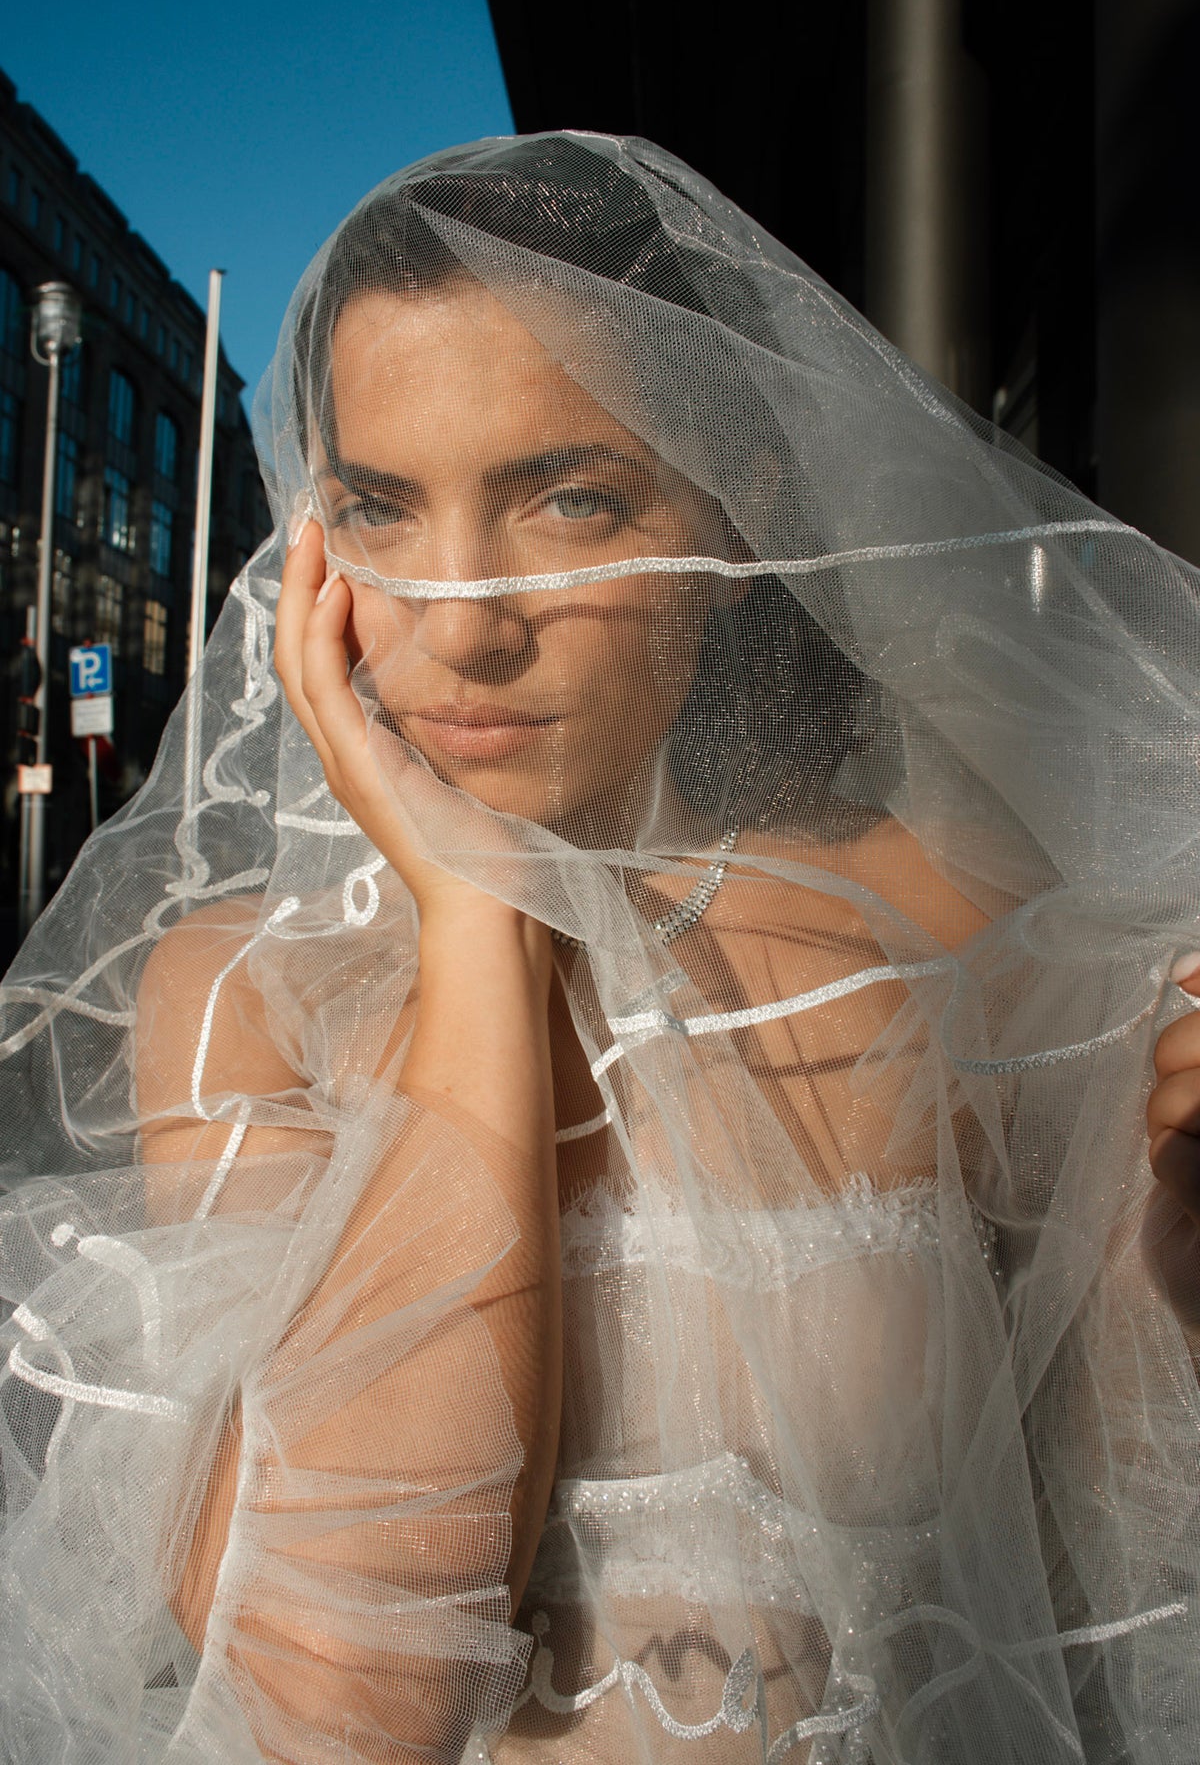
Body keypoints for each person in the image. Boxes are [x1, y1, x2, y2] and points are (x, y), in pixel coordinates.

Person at [3, 132, 1200, 1763]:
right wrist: (482, 926)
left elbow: (1109, 1584)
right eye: (380, 509)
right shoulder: (251, 998)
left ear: (736, 505)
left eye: (570, 499)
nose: (464, 621)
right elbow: (347, 1701)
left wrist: (1178, 1263)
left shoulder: (944, 922)